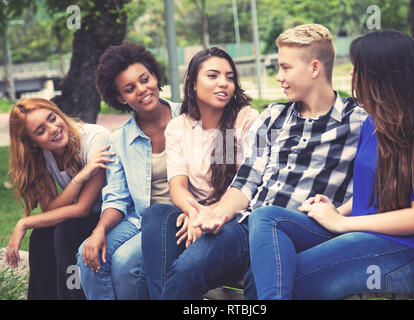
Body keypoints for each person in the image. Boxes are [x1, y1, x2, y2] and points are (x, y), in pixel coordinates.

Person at [144, 24, 367, 300]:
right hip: (247, 224)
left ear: (314, 68)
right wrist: (216, 214)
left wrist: (340, 213)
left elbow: (372, 186)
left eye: (285, 68)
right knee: (186, 272)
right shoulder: (274, 116)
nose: (279, 78)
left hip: (302, 230)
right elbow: (247, 181)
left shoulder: (358, 120)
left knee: (257, 282)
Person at [248, 29, 414, 300]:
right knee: (267, 218)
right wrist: (335, 210)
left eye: (358, 69)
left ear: (383, 75)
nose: (352, 76)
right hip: (364, 235)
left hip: (409, 251)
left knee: (280, 276)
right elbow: (373, 193)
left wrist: (341, 224)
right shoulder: (374, 122)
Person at [138, 47, 259, 299]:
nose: (223, 83)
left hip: (233, 221)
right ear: (193, 84)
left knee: (157, 271)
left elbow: (248, 187)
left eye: (229, 77)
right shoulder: (179, 126)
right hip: (195, 216)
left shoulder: (245, 120)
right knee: (156, 215)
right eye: (213, 76)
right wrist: (194, 214)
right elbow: (177, 187)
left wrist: (207, 217)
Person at [76, 42, 181, 300]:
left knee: (124, 262)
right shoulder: (120, 139)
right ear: (121, 98)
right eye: (130, 89)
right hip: (141, 218)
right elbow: (117, 197)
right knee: (87, 255)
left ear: (155, 77)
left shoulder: (189, 116)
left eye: (145, 80)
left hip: (179, 217)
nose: (142, 90)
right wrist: (98, 231)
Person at [5, 97, 111, 300]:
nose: (53, 129)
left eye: (52, 118)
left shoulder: (96, 138)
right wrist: (79, 178)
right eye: (40, 131)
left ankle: (73, 296)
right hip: (88, 215)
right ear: (32, 143)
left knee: (65, 232)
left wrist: (24, 223)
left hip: (113, 213)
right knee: (40, 236)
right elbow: (50, 209)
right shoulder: (42, 156)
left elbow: (82, 208)